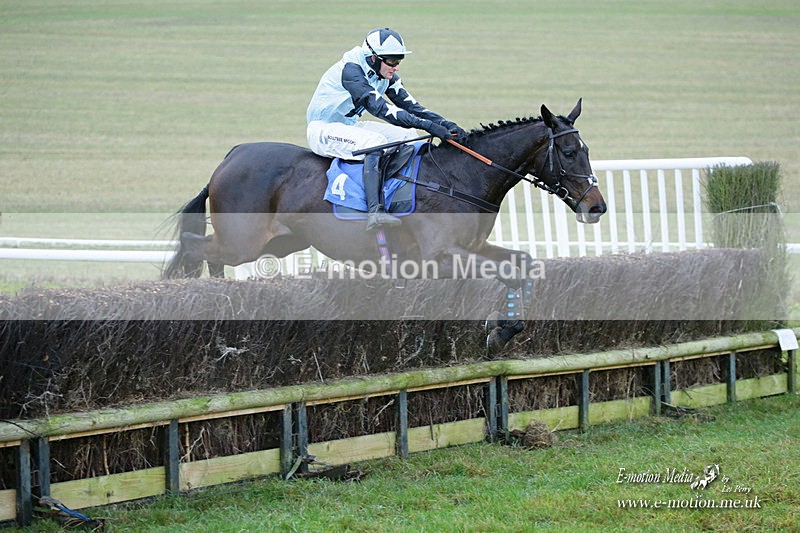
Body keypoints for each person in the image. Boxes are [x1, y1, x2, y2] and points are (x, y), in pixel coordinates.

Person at [307, 28, 468, 231]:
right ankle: (375, 211)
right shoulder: (351, 70)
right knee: (374, 143)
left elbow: (411, 106)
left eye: (399, 60)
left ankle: (397, 191)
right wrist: (428, 126)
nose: (396, 67)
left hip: (348, 125)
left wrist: (446, 124)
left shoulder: (384, 73)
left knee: (411, 137)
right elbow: (380, 108)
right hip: (322, 129)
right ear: (373, 57)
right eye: (392, 60)